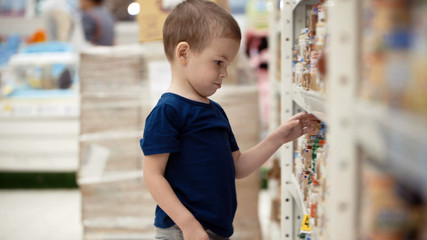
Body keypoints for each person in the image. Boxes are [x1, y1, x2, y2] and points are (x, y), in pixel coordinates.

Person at [140, 1, 319, 239]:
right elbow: (153, 175)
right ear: (183, 53)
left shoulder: (214, 111)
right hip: (183, 232)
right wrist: (189, 226)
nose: (224, 72)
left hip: (214, 231)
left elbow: (238, 166)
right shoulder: (168, 111)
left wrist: (278, 138)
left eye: (228, 64)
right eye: (218, 62)